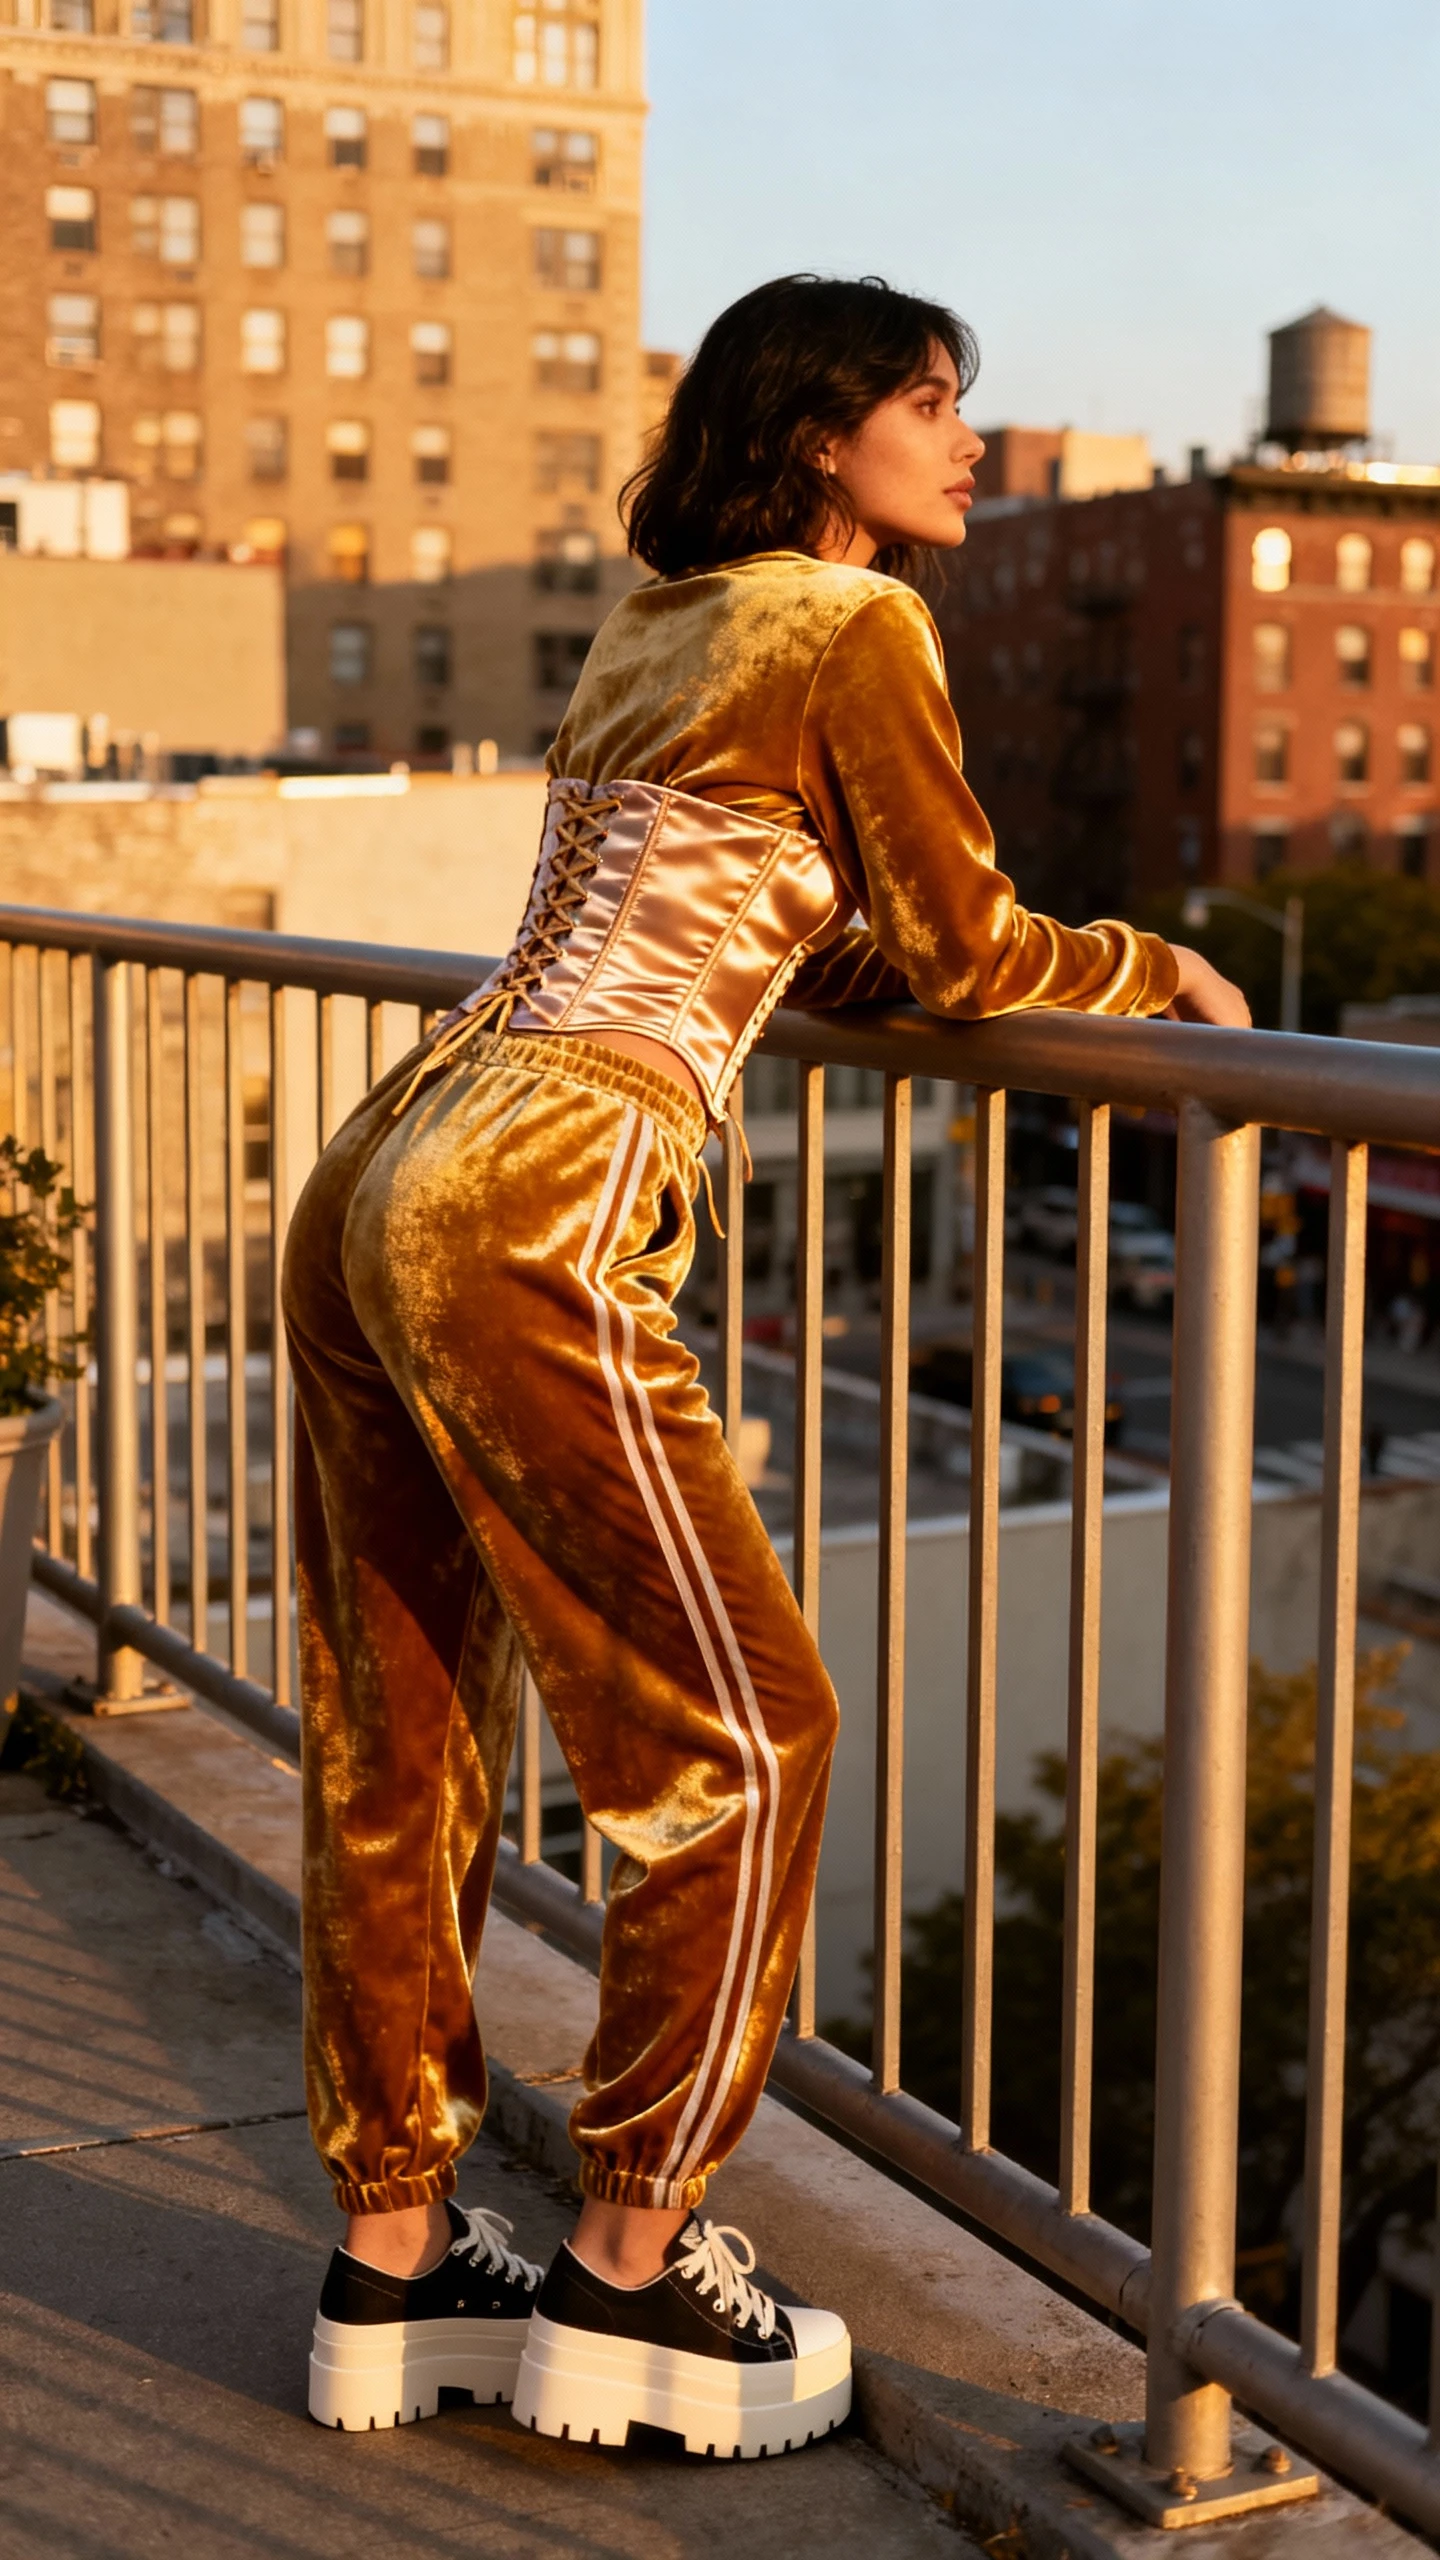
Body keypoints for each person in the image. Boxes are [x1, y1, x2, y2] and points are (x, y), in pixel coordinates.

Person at [284, 273, 1249, 2461]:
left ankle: (400, 2244)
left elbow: (772, 899)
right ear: (825, 438)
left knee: (396, 1717)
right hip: (541, 1177)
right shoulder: (852, 624)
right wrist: (1151, 962)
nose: (969, 443)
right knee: (750, 1726)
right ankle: (631, 2264)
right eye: (931, 403)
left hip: (390, 1153)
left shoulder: (661, 621)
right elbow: (966, 944)